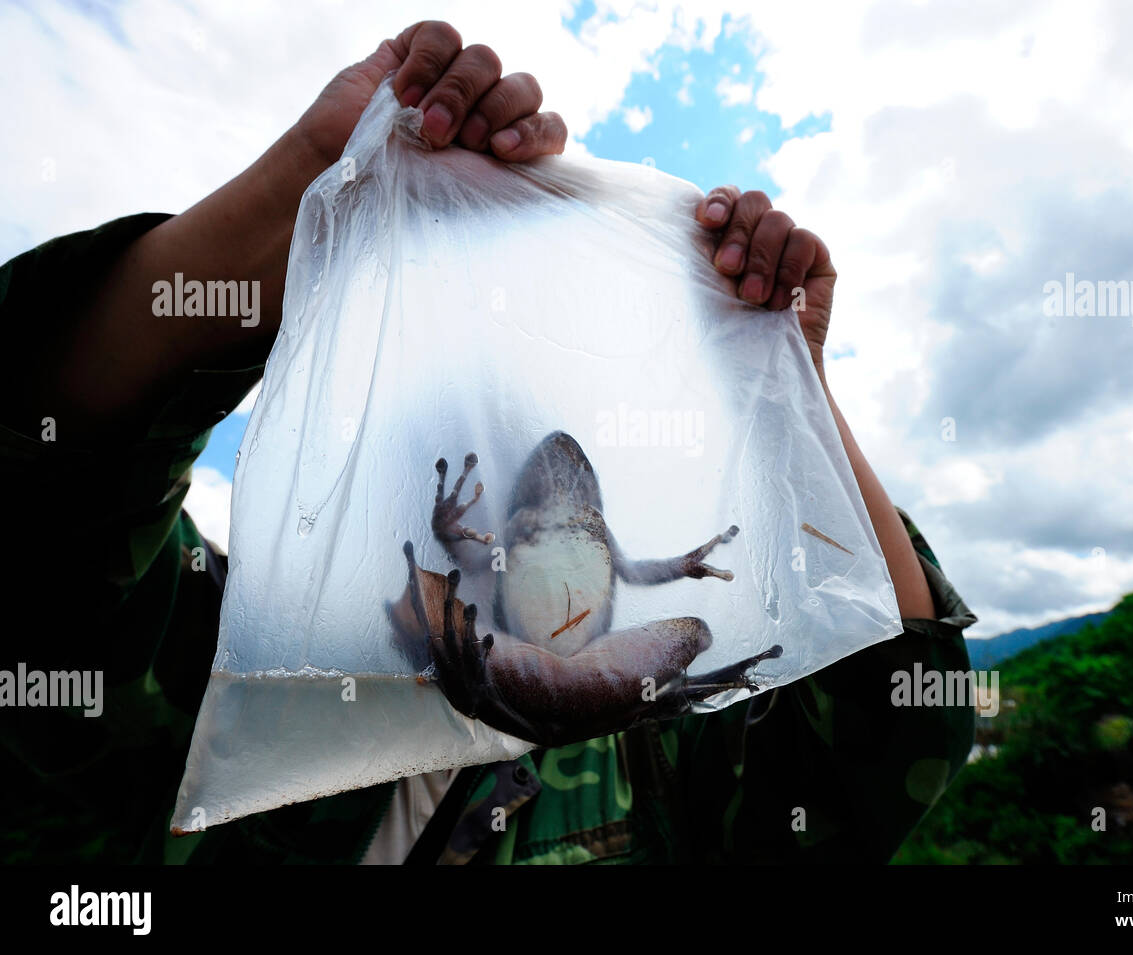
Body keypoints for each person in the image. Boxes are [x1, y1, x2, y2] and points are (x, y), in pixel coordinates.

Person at [0, 20, 976, 865]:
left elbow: (890, 718)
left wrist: (789, 401)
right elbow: (48, 533)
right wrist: (306, 196)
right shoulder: (262, 691)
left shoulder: (665, 763)